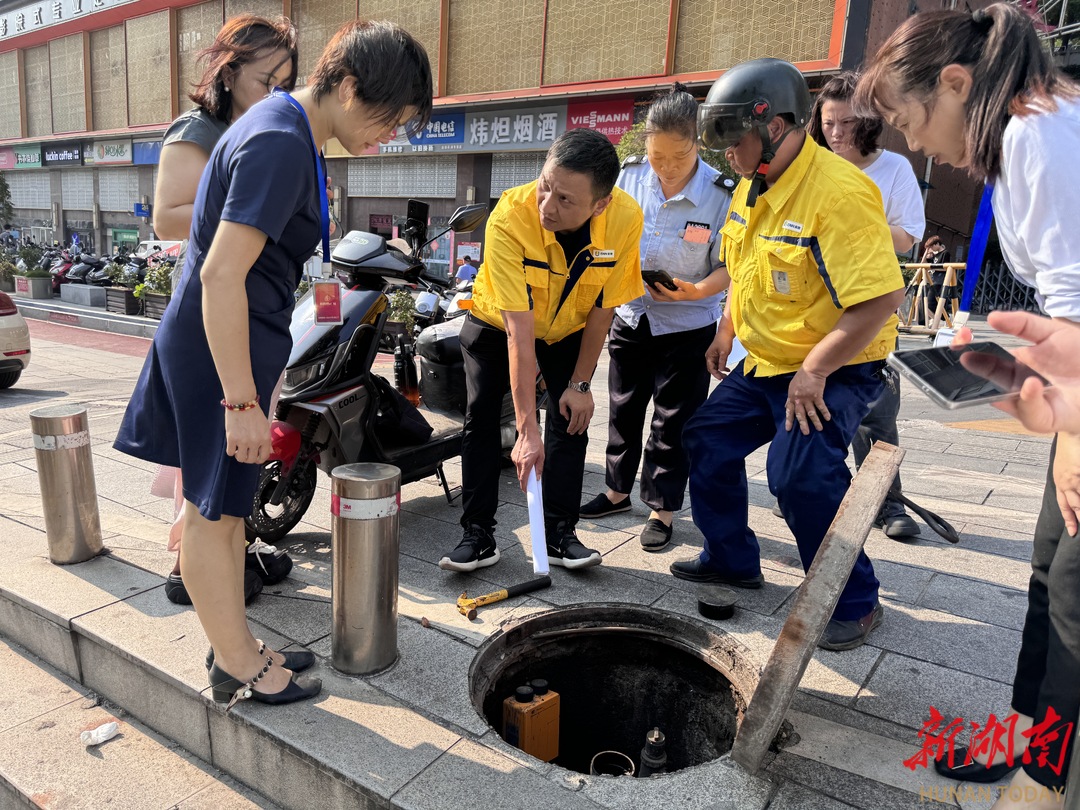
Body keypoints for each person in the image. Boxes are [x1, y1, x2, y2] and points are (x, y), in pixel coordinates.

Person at [114, 20, 433, 709]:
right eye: (392, 117)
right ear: (348, 87)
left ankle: (239, 644)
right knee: (213, 517)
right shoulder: (281, 140)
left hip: (232, 347)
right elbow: (223, 276)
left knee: (228, 512)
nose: (393, 135)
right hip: (217, 353)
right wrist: (240, 402)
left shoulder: (285, 129)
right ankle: (234, 662)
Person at [857, 5, 1080, 804]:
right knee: (1050, 571)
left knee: (1074, 593)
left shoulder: (1036, 135)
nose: (914, 144)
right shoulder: (1025, 133)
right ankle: (1029, 749)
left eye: (910, 120)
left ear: (955, 84)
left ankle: (1046, 787)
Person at [670, 58, 904, 652]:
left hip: (837, 366)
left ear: (774, 125)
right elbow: (745, 267)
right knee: (706, 437)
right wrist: (726, 329)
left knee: (799, 476)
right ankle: (731, 558)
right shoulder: (755, 186)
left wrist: (817, 370)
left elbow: (880, 299)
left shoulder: (840, 194)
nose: (726, 153)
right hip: (771, 362)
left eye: (733, 138)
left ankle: (853, 601)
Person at [438, 128, 644, 573]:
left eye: (566, 199)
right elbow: (518, 332)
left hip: (568, 328)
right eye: (545, 186)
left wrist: (581, 384)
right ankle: (478, 535)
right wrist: (527, 428)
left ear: (601, 203)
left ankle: (559, 535)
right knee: (482, 420)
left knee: (572, 418)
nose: (547, 206)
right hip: (497, 324)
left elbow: (605, 307)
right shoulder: (511, 216)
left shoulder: (626, 219)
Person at [151, 14, 299, 607]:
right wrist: (256, 206)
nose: (276, 91)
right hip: (214, 302)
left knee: (238, 446)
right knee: (212, 445)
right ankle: (195, 567)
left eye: (285, 79)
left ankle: (229, 551)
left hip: (253, 305)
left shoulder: (262, 125)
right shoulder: (200, 128)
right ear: (229, 68)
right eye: (267, 77)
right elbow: (167, 217)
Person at [578, 84, 732, 551]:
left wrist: (699, 289)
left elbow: (732, 265)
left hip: (688, 324)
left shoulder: (722, 194)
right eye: (657, 155)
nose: (665, 167)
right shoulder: (627, 178)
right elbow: (604, 237)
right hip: (631, 314)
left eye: (677, 158)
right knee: (623, 408)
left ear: (698, 144)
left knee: (674, 421)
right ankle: (616, 490)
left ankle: (662, 509)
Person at [807, 71, 925, 539]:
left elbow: (908, 237)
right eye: (829, 122)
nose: (837, 133)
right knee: (815, 406)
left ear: (869, 121)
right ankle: (818, 496)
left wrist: (861, 213)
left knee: (876, 412)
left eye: (847, 123)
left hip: (870, 304)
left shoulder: (892, 169)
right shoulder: (811, 164)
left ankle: (887, 503)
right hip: (814, 306)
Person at [920, 235, 956, 320]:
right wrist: (926, 252)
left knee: (930, 303)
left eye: (932, 246)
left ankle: (945, 318)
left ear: (937, 244)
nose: (931, 248)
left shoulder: (945, 253)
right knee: (929, 303)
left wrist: (933, 267)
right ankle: (943, 318)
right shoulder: (935, 255)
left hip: (940, 281)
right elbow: (923, 263)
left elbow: (946, 268)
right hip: (933, 280)